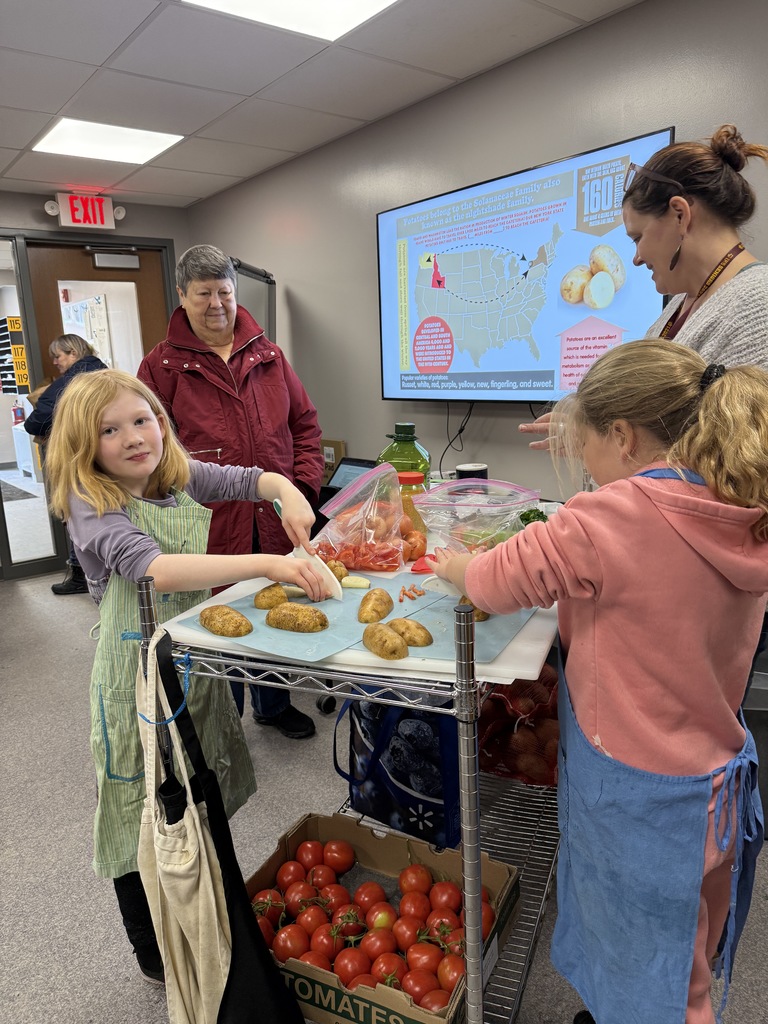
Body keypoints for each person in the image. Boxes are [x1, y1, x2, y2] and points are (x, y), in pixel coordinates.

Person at [432, 339, 765, 1024]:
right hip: (712, 785)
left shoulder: (609, 515)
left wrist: (450, 562)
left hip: (633, 793)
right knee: (681, 948)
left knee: (639, 953)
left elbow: (493, 581)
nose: (583, 467)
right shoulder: (742, 511)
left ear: (622, 435)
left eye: (583, 446)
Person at [45, 369, 329, 985]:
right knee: (140, 807)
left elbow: (241, 478)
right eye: (110, 430)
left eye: (143, 419)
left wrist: (283, 486)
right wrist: (270, 563)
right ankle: (153, 950)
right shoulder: (91, 502)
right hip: (133, 677)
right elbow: (154, 569)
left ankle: (206, 914)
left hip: (189, 662)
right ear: (83, 446)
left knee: (197, 791)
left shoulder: (171, 475)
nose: (133, 437)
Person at [138, 244, 324, 739]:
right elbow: (151, 457)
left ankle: (272, 703)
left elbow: (304, 426)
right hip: (209, 521)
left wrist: (301, 487)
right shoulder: (160, 367)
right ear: (182, 295)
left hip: (276, 514)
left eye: (224, 291)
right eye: (203, 294)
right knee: (220, 617)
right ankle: (223, 717)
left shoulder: (269, 354)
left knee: (276, 604)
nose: (217, 303)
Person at [519, 124, 768, 452]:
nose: (635, 259)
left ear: (680, 214)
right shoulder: (678, 306)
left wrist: (603, 442)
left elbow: (737, 458)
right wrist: (594, 432)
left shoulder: (758, 305)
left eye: (638, 238)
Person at [24, 333, 107, 594]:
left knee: (75, 511)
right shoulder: (110, 375)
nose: (55, 362)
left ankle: (81, 575)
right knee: (107, 509)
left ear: (73, 353)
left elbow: (35, 422)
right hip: (107, 456)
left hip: (76, 458)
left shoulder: (69, 382)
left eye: (58, 356)